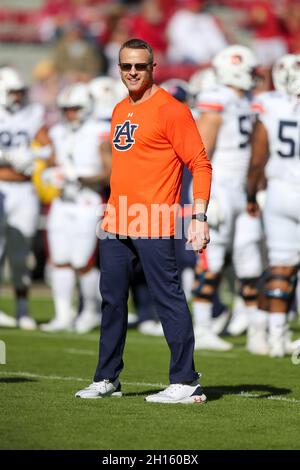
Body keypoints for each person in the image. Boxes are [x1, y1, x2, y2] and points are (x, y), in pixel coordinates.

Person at [75, 38, 212, 404]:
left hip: (155, 220)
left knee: (168, 299)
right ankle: (107, 378)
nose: (132, 72)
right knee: (112, 301)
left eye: (139, 66)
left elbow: (199, 163)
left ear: (153, 68)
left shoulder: (172, 110)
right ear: (118, 69)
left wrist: (198, 215)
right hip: (117, 221)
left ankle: (186, 381)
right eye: (126, 66)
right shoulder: (120, 109)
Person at [192, 45, 264, 352]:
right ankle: (203, 326)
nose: (253, 77)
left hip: (243, 189)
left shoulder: (248, 100)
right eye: (248, 70)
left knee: (250, 260)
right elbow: (200, 151)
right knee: (213, 260)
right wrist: (206, 199)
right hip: (219, 187)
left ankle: (255, 329)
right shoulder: (217, 99)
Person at [36, 82, 111, 333]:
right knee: (59, 260)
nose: (70, 113)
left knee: (82, 262)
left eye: (75, 108)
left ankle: (91, 311)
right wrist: (50, 174)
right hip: (62, 201)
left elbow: (109, 174)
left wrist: (78, 177)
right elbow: (51, 163)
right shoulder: (58, 132)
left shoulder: (100, 131)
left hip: (88, 201)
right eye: (66, 109)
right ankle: (62, 315)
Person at [247, 54, 300, 357]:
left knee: (280, 264)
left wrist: (251, 195)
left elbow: (257, 159)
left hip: (279, 191)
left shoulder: (270, 104)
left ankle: (277, 337)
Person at [0, 67, 44, 330]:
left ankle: (22, 308)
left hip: (25, 191)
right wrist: (7, 158)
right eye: (12, 92)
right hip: (1, 187)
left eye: (19, 91)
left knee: (20, 254)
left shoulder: (32, 113)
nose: (17, 96)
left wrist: (36, 157)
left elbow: (47, 147)